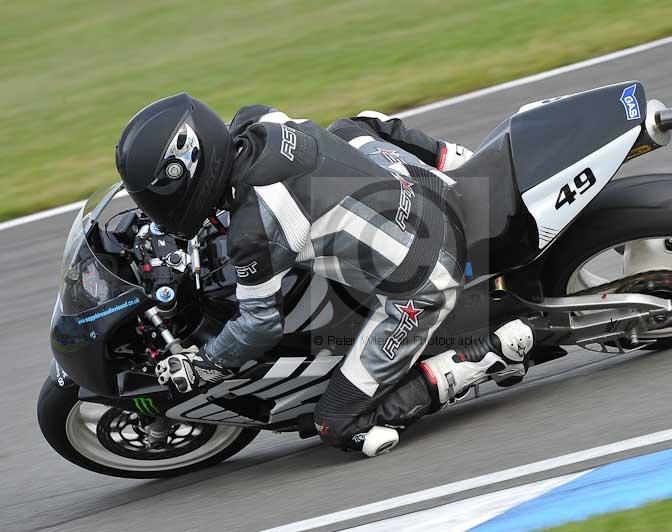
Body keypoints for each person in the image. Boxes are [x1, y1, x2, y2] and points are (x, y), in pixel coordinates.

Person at [115, 93, 534, 456]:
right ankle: (459, 161)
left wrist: (202, 365)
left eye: (157, 199)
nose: (156, 210)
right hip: (415, 184)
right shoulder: (255, 120)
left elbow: (258, 325)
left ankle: (492, 351)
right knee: (351, 127)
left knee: (338, 424)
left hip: (426, 273)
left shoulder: (255, 229)